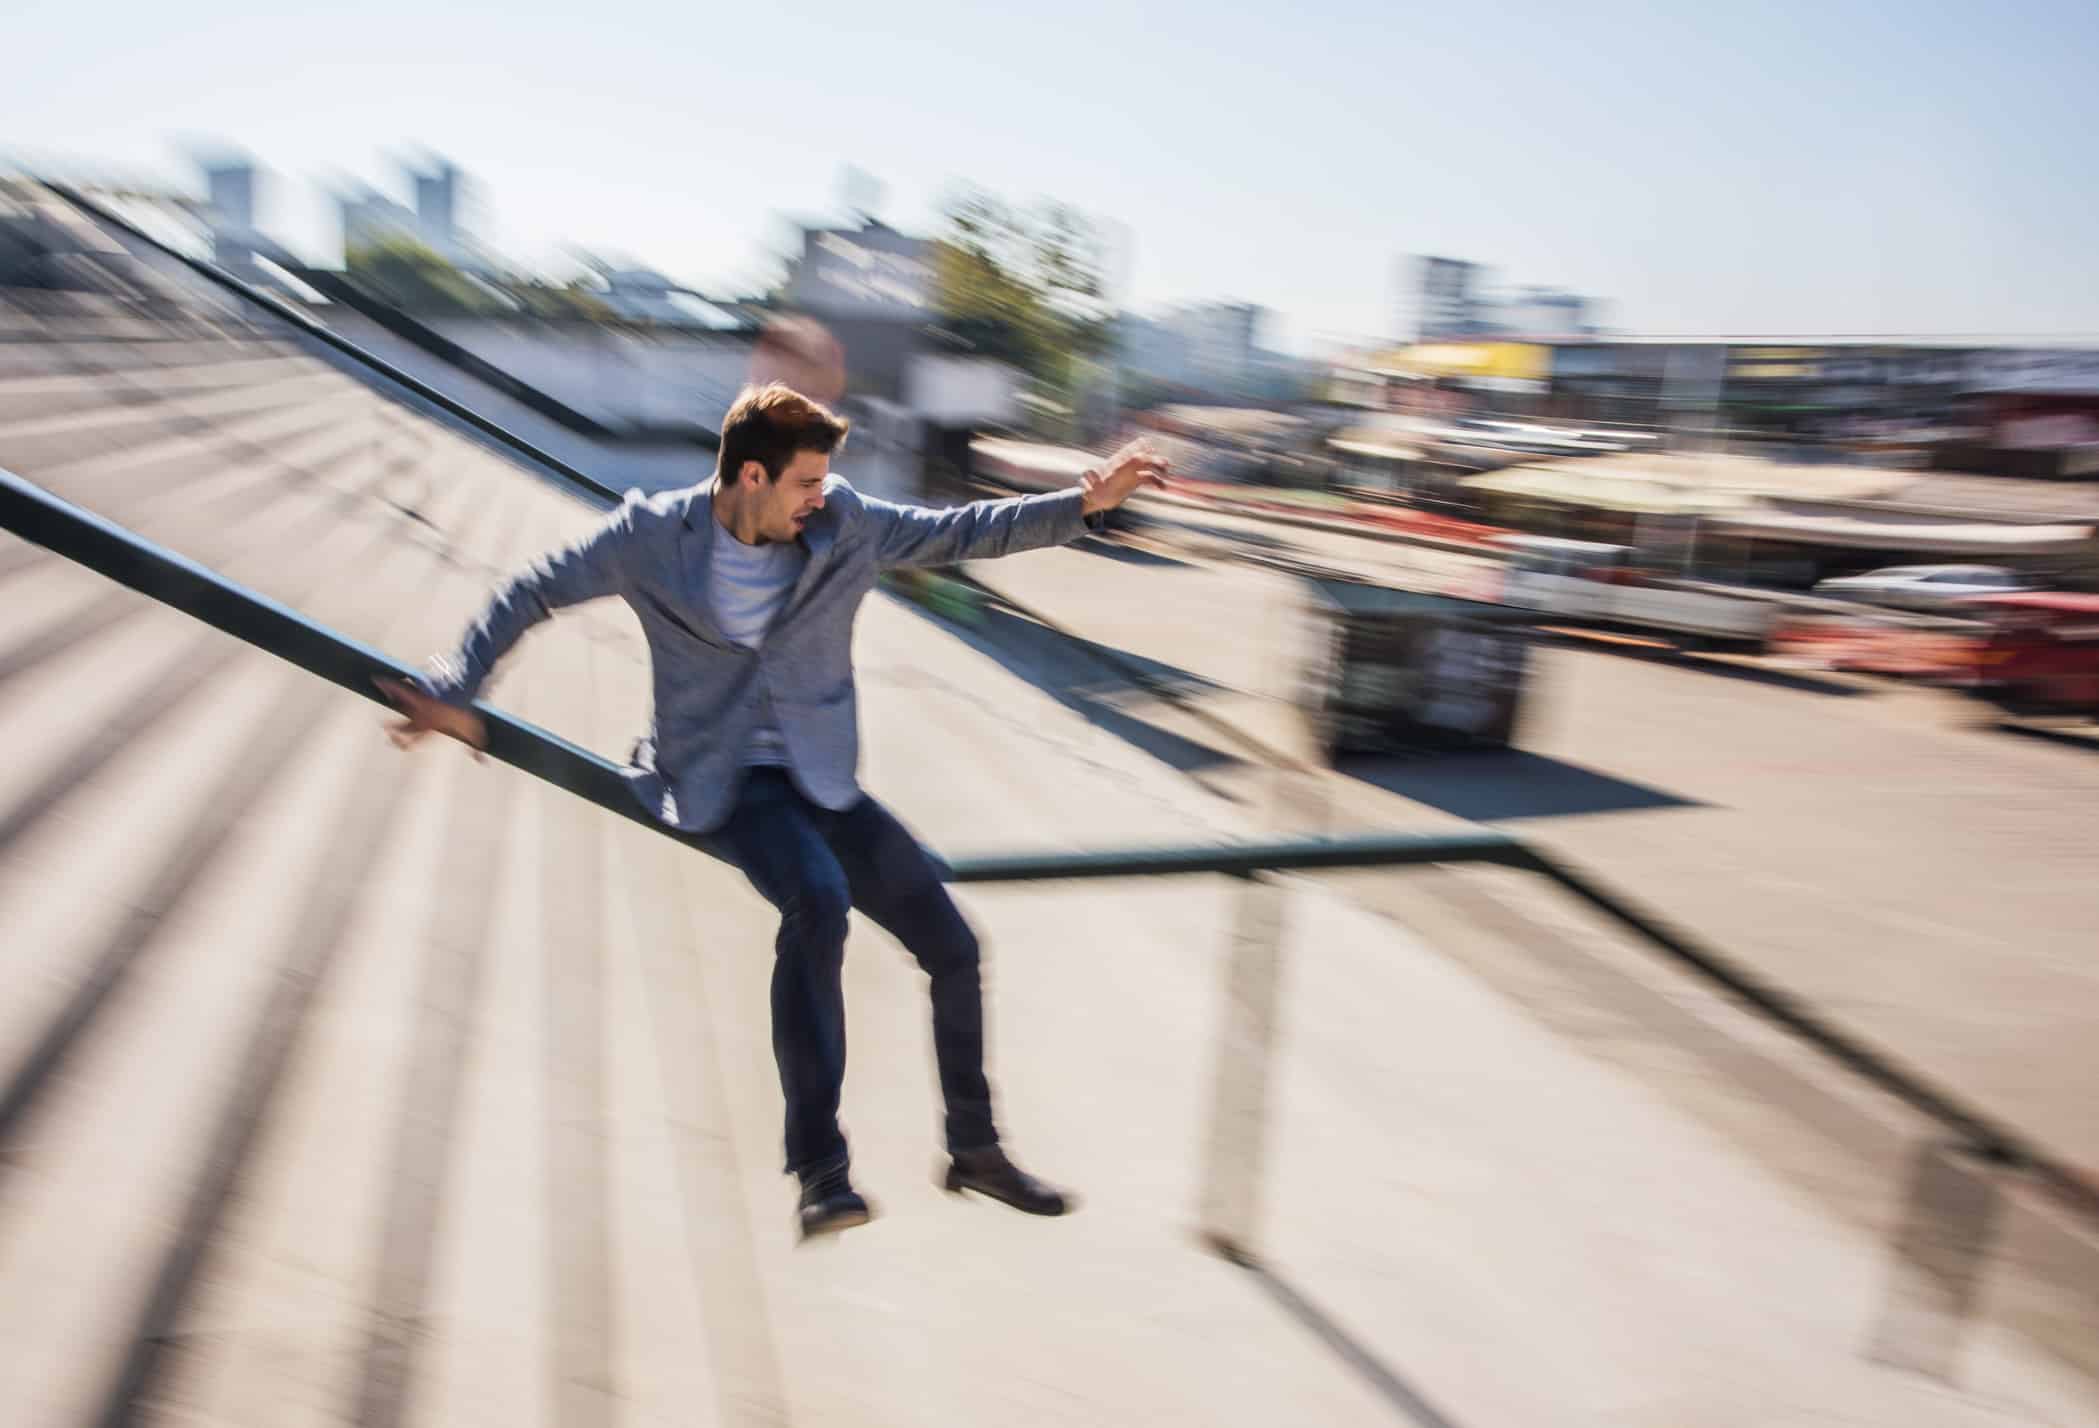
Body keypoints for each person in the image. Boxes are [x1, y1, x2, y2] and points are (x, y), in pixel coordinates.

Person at [378, 384, 1166, 1239]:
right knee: (817, 900)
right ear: (750, 475)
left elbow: (957, 533)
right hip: (723, 776)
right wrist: (455, 687)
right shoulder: (652, 538)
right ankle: (821, 1171)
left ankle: (974, 1149)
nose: (818, 499)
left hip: (822, 776)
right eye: (803, 485)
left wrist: (1085, 502)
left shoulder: (846, 522)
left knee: (953, 944)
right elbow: (533, 589)